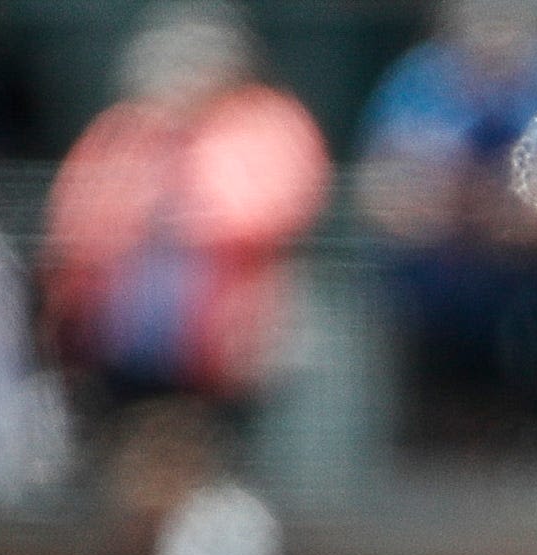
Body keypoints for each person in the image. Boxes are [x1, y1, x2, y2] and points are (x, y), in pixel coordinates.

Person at [354, 0, 537, 446]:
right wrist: (461, 207)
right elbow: (382, 195)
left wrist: (526, 213)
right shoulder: (422, 76)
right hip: (447, 278)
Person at [40, 3, 329, 419]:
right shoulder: (122, 130)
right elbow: (72, 222)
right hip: (120, 340)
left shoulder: (268, 120)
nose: (184, 74)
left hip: (235, 336)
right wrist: (138, 216)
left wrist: (191, 212)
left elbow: (282, 209)